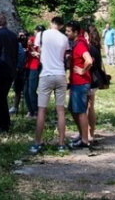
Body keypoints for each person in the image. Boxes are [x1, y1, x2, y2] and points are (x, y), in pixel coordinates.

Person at [29, 16, 69, 154]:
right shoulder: (64, 38)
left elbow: (40, 51)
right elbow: (62, 55)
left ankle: (37, 143)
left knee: (41, 110)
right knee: (60, 111)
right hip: (60, 74)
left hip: (46, 74)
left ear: (51, 23)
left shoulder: (42, 34)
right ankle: (61, 144)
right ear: (62, 26)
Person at [0, 12, 19, 133]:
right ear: (5, 22)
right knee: (2, 97)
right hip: (11, 69)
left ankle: (3, 124)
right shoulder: (13, 35)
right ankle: (2, 122)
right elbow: (16, 53)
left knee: (0, 98)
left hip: (0, 69)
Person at [65, 21, 92, 149]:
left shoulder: (80, 44)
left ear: (75, 32)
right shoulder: (76, 44)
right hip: (76, 83)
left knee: (81, 112)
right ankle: (82, 135)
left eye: (69, 31)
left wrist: (82, 70)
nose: (66, 33)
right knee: (73, 110)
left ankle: (85, 141)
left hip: (81, 83)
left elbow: (89, 60)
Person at [85, 24, 104, 141]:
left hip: (90, 79)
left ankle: (88, 133)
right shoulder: (96, 47)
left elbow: (89, 63)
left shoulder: (89, 48)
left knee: (88, 107)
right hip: (96, 79)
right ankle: (90, 132)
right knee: (91, 107)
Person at [24, 25, 43, 118]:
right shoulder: (32, 39)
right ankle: (30, 110)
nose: (37, 33)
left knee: (31, 89)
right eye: (37, 31)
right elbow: (26, 44)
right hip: (27, 66)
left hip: (35, 67)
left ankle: (35, 111)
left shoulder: (43, 41)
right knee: (25, 90)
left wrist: (37, 53)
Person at [11, 30, 29, 115]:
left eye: (23, 35)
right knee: (17, 89)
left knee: (26, 90)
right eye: (20, 35)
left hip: (26, 69)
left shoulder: (29, 44)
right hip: (19, 70)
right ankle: (15, 107)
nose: (22, 37)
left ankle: (30, 108)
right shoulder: (17, 44)